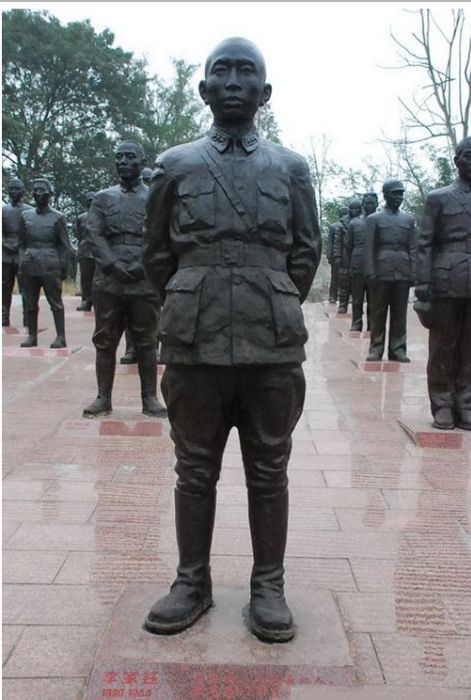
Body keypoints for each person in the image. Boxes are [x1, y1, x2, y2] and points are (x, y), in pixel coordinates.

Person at [142, 37, 321, 643]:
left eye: (248, 72)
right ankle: (191, 582)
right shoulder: (175, 165)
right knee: (194, 468)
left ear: (265, 93)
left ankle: (268, 586)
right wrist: (194, 300)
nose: (235, 81)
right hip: (194, 341)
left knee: (269, 469)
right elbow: (156, 254)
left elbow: (306, 253)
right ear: (205, 89)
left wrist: (268, 299)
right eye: (223, 71)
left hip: (272, 343)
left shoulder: (291, 168)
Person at [82, 141, 167, 419]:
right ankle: (103, 397)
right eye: (119, 157)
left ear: (142, 161)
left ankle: (150, 398)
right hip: (109, 280)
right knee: (105, 339)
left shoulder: (155, 198)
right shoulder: (102, 198)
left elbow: (161, 235)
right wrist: (112, 264)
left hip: (144, 280)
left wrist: (144, 266)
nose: (123, 162)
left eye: (130, 157)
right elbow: (94, 234)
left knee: (146, 340)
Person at [415, 136, 471, 430]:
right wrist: (422, 283)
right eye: (468, 157)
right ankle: (443, 404)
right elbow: (425, 243)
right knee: (443, 345)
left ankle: (466, 403)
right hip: (445, 280)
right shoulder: (439, 197)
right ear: (457, 160)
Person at [364, 180, 415, 362]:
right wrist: (370, 272)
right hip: (381, 270)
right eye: (395, 193)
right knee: (378, 312)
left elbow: (413, 248)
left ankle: (397, 349)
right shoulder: (374, 219)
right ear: (385, 195)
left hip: (402, 270)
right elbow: (368, 248)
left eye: (401, 194)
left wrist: (413, 272)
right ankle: (376, 348)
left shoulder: (408, 220)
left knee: (400, 313)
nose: (399, 197)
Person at [18, 179, 71, 348]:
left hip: (50, 265)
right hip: (29, 264)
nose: (38, 194)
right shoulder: (26, 216)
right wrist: (22, 260)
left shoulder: (58, 217)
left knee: (55, 302)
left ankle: (60, 336)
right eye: (36, 190)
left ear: (50, 194)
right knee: (30, 302)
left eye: (42, 190)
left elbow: (65, 246)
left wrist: (63, 268)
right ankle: (32, 335)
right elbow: (21, 243)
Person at [346, 192, 378, 331]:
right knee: (357, 297)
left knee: (374, 298)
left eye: (372, 203)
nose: (369, 206)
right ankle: (356, 323)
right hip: (357, 263)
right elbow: (348, 245)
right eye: (367, 203)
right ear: (363, 205)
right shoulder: (354, 223)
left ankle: (372, 324)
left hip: (376, 264)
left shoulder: (381, 221)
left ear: (377, 204)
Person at [2, 178, 32, 327]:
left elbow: (31, 233)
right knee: (4, 288)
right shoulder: (3, 210)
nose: (14, 191)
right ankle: (4, 317)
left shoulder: (29, 211)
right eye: (11, 188)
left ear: (23, 191)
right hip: (5, 255)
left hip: (22, 255)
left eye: (17, 188)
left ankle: (27, 318)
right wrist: (4, 243)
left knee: (26, 289)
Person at [75, 191, 96, 312]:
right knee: (85, 279)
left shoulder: (102, 216)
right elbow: (79, 235)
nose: (91, 203)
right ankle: (86, 301)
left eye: (92, 200)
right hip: (85, 251)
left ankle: (98, 300)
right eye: (89, 201)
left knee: (98, 279)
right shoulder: (81, 218)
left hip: (97, 251)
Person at [332, 205, 351, 313]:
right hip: (343, 257)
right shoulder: (338, 226)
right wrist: (336, 256)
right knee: (340, 279)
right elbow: (336, 242)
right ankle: (340, 303)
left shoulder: (361, 222)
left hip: (356, 257)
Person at [326, 220, 339, 304]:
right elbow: (330, 242)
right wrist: (329, 255)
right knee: (334, 277)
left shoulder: (351, 224)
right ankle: (332, 296)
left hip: (347, 255)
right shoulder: (333, 226)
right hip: (335, 256)